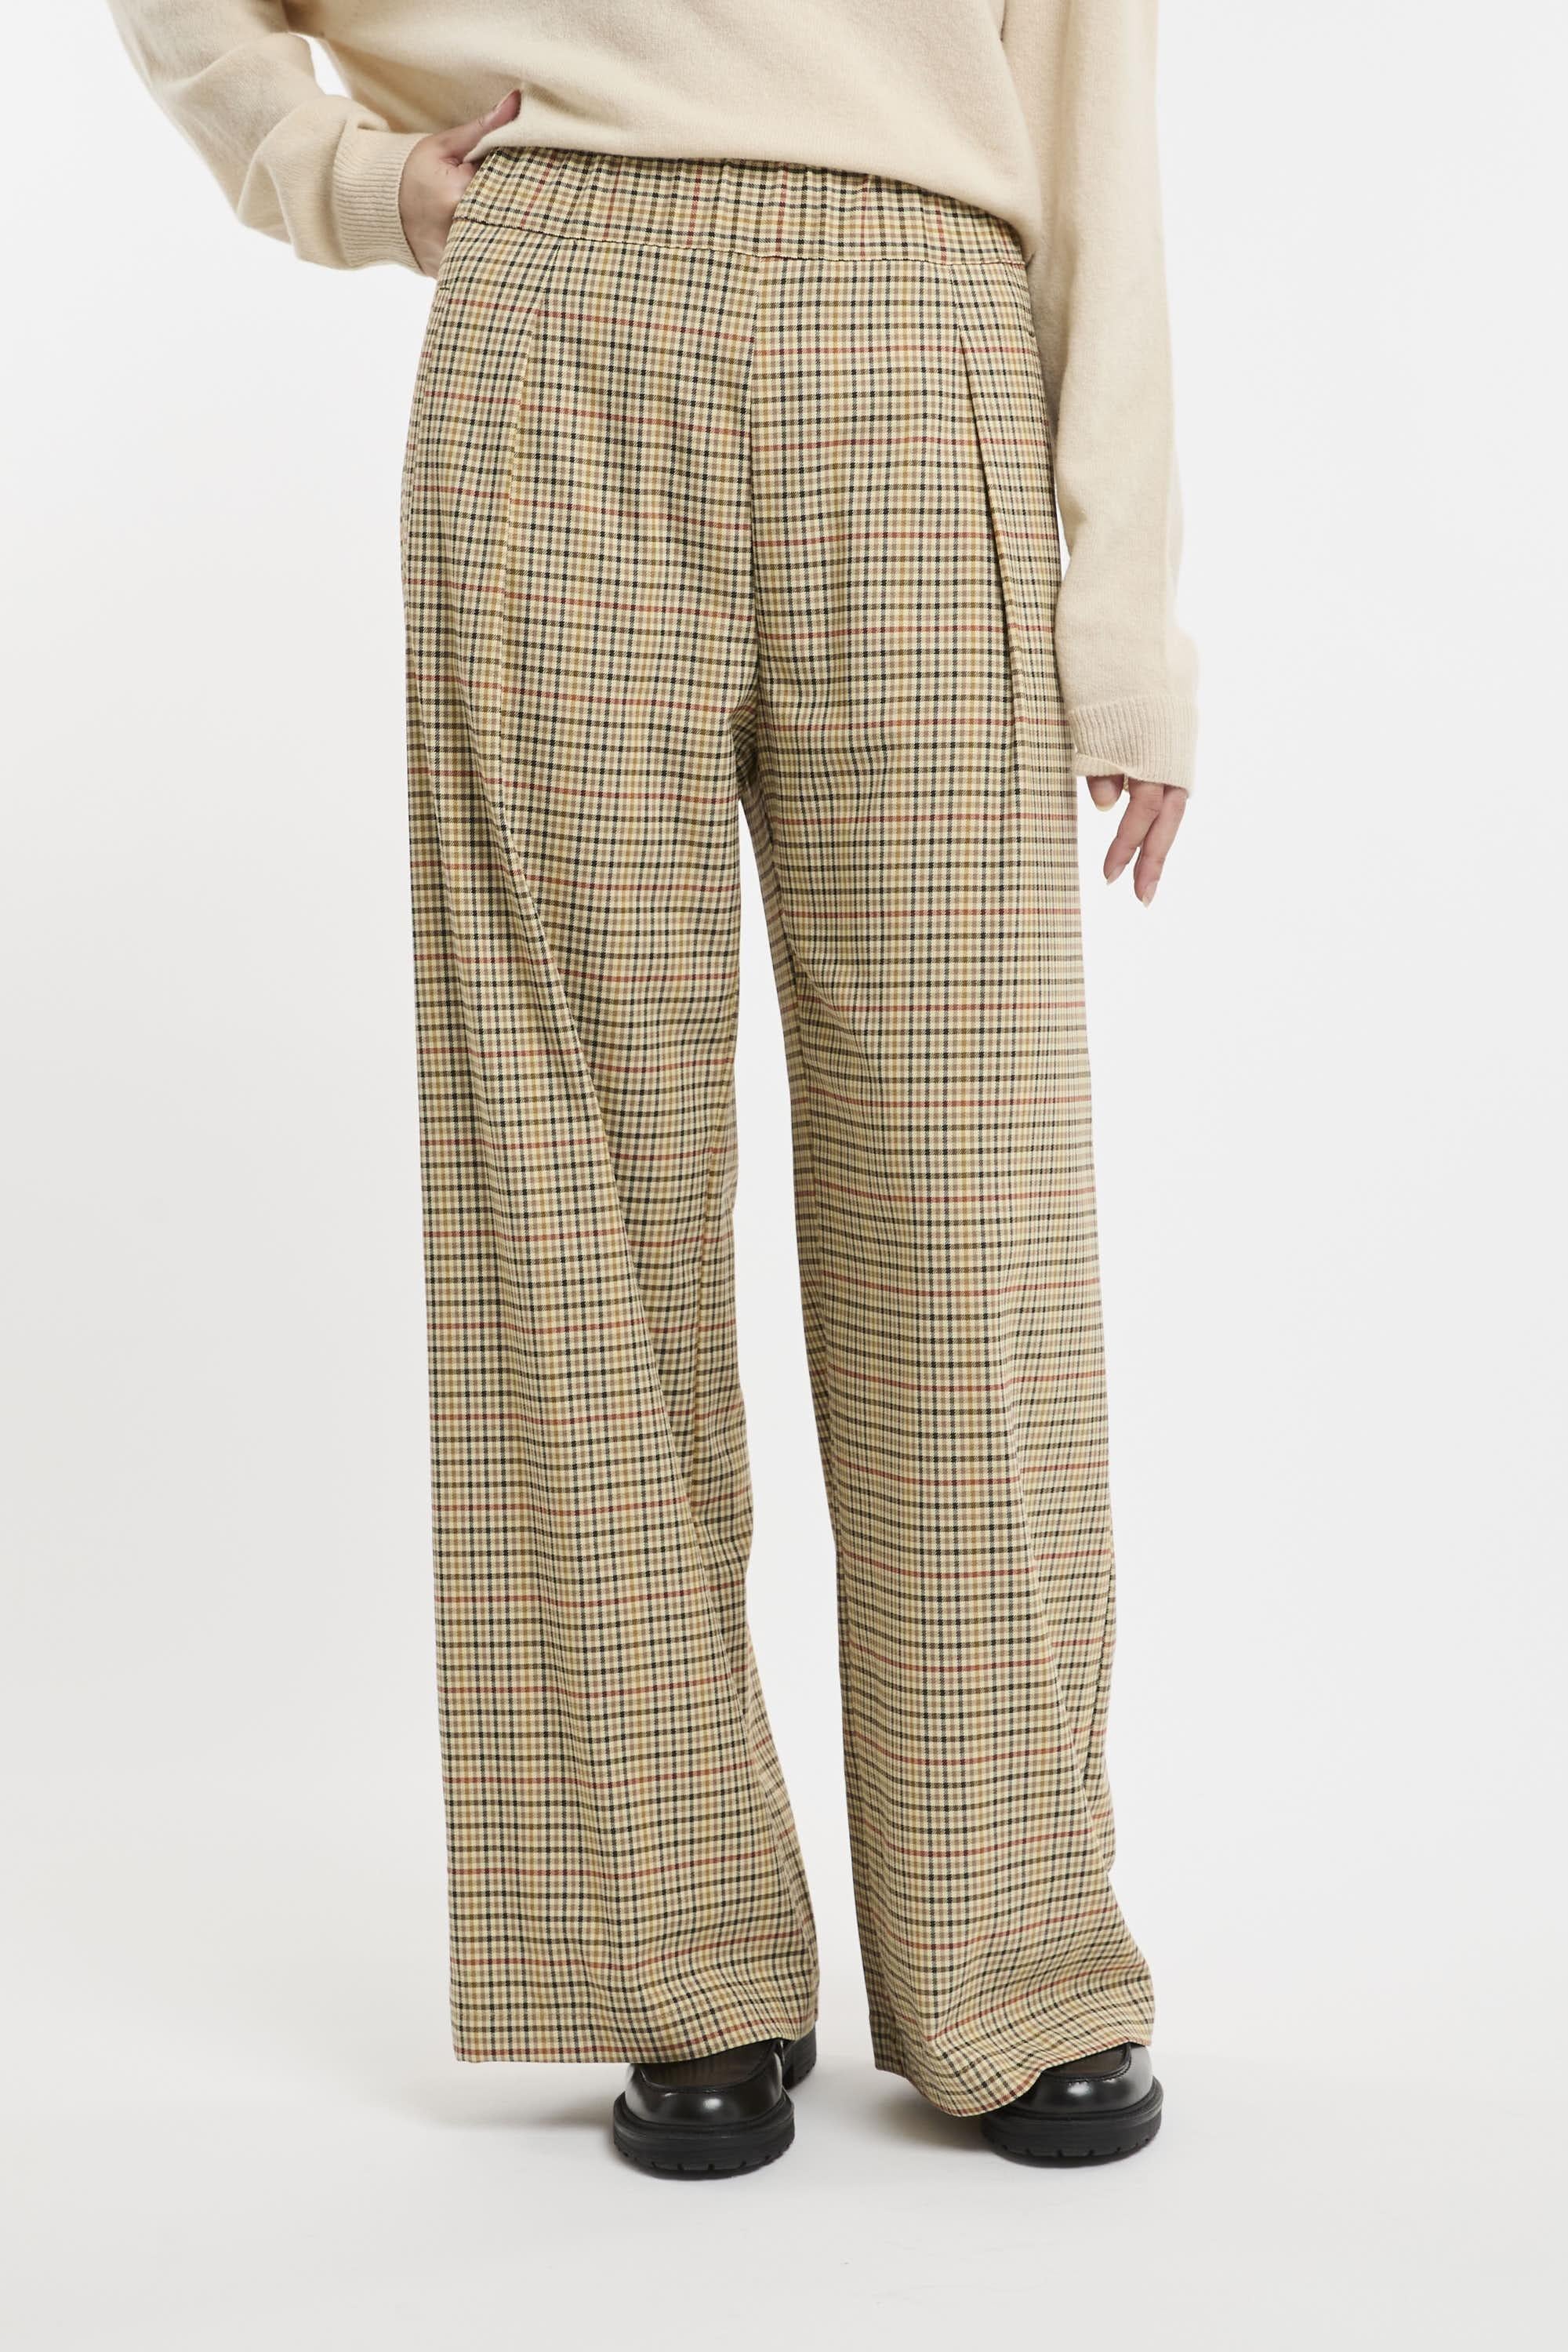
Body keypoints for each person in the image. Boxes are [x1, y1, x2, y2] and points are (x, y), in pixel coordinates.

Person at [107, 0, 1196, 2176]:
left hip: (923, 319)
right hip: (559, 300)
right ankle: (677, 1957)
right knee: (570, 1174)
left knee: (965, 1194)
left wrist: (1128, 620)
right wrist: (344, 174)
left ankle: (1009, 1953)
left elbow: (1090, 87)